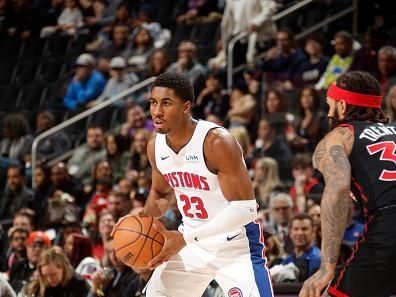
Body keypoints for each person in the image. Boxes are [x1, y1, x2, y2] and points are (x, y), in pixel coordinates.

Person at [139, 72, 273, 296]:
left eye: (166, 103)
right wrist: (141, 223)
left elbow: (245, 209)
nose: (157, 112)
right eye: (153, 103)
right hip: (191, 245)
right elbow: (161, 194)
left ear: (186, 107)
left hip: (234, 246)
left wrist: (185, 238)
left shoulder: (216, 142)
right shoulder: (155, 146)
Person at [300, 71, 396, 297]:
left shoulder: (340, 136)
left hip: (388, 226)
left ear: (342, 106)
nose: (328, 112)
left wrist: (327, 266)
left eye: (329, 105)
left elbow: (338, 189)